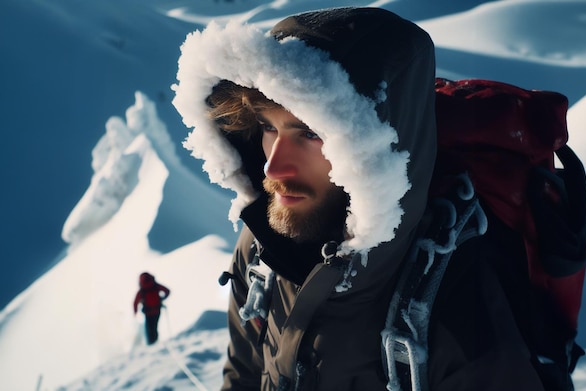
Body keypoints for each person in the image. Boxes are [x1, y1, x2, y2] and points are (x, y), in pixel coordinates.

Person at [172, 7, 554, 391]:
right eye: (269, 127)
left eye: (309, 133)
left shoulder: (462, 315)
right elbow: (243, 375)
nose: (274, 167)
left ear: (377, 146)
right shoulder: (260, 251)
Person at [133, 272, 170, 345]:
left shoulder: (142, 290)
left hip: (148, 312)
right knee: (154, 327)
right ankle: (155, 343)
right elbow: (167, 291)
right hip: (157, 310)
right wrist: (162, 298)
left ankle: (151, 345)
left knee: (149, 329)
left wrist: (135, 313)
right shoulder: (155, 285)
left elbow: (135, 302)